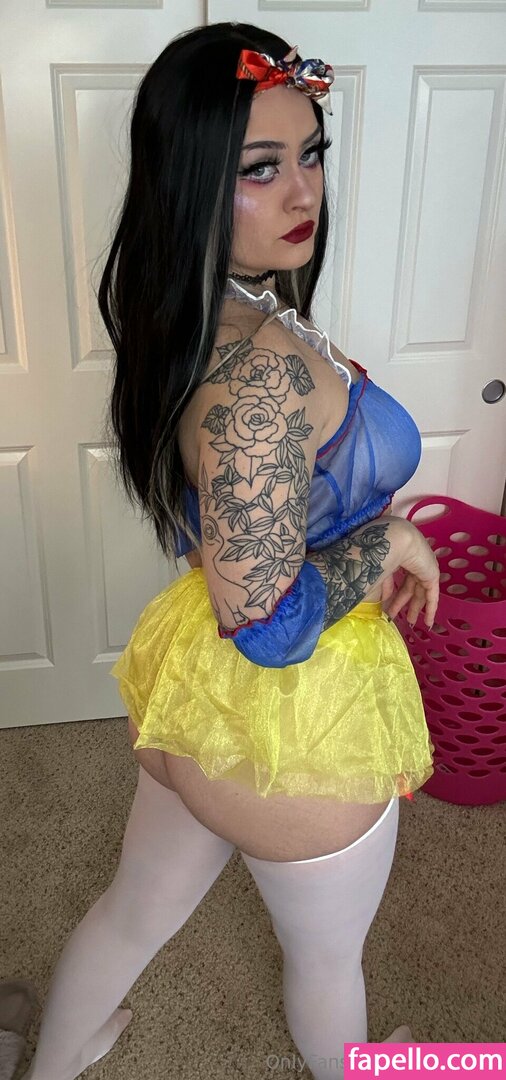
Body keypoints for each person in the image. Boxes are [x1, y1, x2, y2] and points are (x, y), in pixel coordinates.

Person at [21, 22, 440, 1080]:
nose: (303, 192)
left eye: (311, 154)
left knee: (132, 913)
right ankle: (372, 1071)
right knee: (329, 969)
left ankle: (51, 1062)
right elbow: (268, 624)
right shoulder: (256, 376)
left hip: (198, 705)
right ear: (194, 183)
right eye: (260, 168)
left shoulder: (204, 310)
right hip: (296, 720)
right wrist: (387, 538)